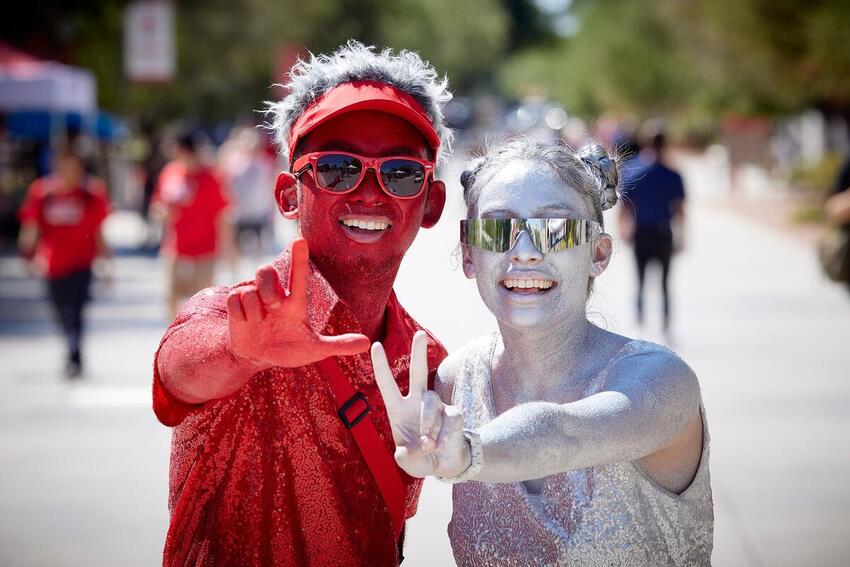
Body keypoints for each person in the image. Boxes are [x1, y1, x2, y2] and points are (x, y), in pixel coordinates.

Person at [151, 41, 452, 566]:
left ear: (431, 203)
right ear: (290, 194)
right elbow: (178, 371)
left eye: (400, 172)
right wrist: (240, 353)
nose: (369, 192)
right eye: (337, 168)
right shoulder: (230, 315)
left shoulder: (429, 364)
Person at [371, 138, 713, 566]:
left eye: (556, 229)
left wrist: (470, 454)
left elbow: (564, 433)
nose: (526, 253)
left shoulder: (662, 382)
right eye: (497, 230)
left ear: (598, 254)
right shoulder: (456, 382)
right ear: (469, 254)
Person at [17, 149, 112, 377]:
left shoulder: (92, 194)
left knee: (77, 311)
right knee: (59, 310)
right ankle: (70, 343)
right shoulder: (42, 192)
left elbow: (99, 231)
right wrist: (27, 252)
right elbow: (32, 225)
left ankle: (74, 353)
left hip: (82, 263)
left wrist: (107, 262)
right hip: (52, 264)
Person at [152, 131, 233, 318]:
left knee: (203, 305)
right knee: (171, 298)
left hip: (204, 253)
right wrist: (162, 212)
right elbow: (157, 204)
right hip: (175, 249)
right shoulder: (169, 173)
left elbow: (222, 215)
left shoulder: (210, 177)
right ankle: (177, 339)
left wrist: (228, 249)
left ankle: (197, 343)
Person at [619, 125, 686, 337]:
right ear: (665, 144)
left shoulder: (633, 171)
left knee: (640, 280)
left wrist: (623, 230)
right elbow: (680, 210)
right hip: (663, 232)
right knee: (665, 282)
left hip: (641, 232)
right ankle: (665, 325)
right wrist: (682, 236)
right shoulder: (673, 174)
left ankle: (640, 323)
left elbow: (624, 207)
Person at [218, 127, 276, 257]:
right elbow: (225, 185)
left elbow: (269, 187)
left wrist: (270, 211)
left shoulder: (265, 164)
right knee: (236, 249)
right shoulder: (234, 163)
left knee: (259, 250)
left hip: (258, 212)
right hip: (239, 213)